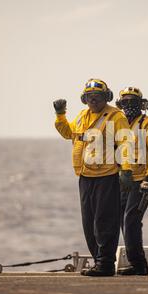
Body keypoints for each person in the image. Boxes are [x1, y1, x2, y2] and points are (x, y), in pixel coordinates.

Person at [53, 79, 133, 277]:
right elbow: (68, 133)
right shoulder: (82, 116)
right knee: (89, 222)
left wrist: (126, 170)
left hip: (107, 176)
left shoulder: (116, 116)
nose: (93, 99)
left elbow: (125, 143)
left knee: (105, 221)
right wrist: (60, 115)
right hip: (85, 176)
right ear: (84, 99)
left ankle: (105, 263)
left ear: (107, 97)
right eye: (90, 96)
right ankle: (99, 261)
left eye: (98, 96)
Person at [115, 87, 148, 276]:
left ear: (141, 104)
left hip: (142, 180)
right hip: (123, 180)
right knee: (122, 220)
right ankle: (136, 263)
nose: (128, 106)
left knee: (131, 219)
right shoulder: (120, 125)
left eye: (132, 102)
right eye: (124, 102)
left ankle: (139, 264)